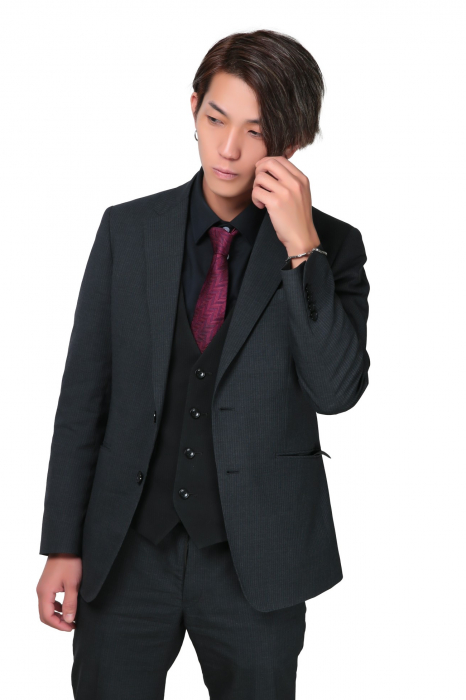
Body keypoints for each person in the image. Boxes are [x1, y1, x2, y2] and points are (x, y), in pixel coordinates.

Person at [36, 28, 370, 699]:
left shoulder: (332, 245)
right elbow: (83, 399)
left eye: (256, 130)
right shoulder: (128, 231)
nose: (229, 148)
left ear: (292, 142)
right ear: (193, 108)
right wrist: (62, 544)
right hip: (127, 552)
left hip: (258, 564)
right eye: (217, 119)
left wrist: (301, 250)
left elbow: (336, 390)